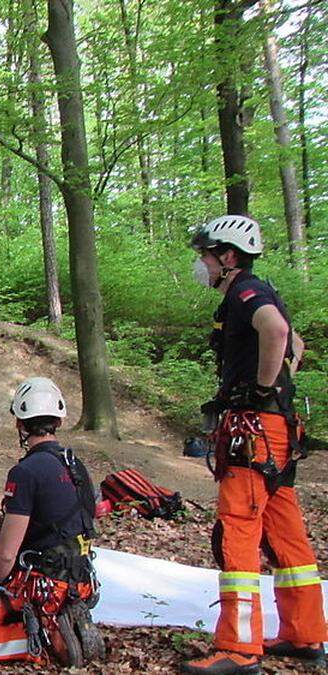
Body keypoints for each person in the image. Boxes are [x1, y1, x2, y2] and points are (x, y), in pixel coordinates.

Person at [182, 216, 325, 675]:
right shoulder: (253, 294)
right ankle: (305, 634)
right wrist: (280, 387)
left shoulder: (246, 294)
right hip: (276, 430)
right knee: (285, 532)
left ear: (228, 256)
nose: (200, 264)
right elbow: (296, 344)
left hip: (255, 430)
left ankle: (239, 649)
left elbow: (279, 334)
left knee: (239, 529)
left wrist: (261, 391)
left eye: (205, 255)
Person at [0, 377, 102, 667]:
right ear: (59, 422)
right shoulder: (77, 466)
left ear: (20, 424)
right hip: (81, 583)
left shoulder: (26, 473)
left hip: (41, 588)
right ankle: (51, 627)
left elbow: (7, 552)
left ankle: (37, 645)